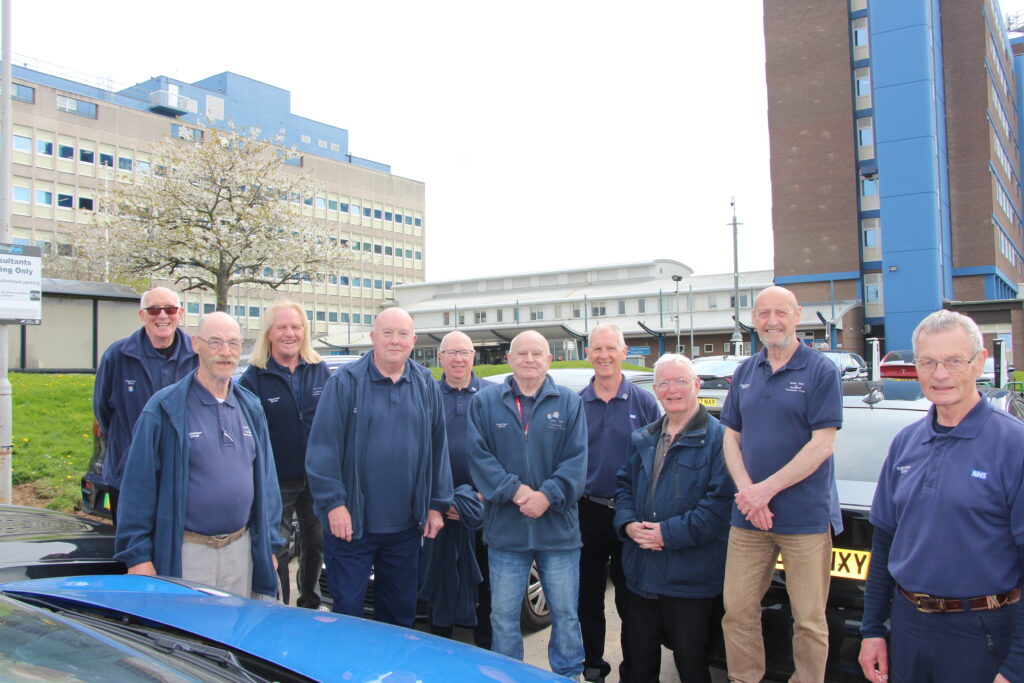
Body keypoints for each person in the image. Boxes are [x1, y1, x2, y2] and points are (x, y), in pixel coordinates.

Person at [858, 310, 1024, 683]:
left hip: (981, 635)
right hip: (907, 626)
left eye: (954, 360)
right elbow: (884, 543)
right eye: (928, 362)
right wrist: (872, 630)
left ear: (980, 362)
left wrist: (1016, 668)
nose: (940, 374)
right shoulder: (905, 443)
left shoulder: (1014, 446)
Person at [719, 285, 843, 683]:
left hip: (804, 518)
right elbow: (730, 437)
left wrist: (764, 491)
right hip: (749, 517)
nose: (771, 320)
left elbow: (822, 445)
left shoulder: (820, 371)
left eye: (780, 312)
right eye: (763, 313)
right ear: (753, 320)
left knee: (808, 619)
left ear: (798, 315)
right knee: (737, 610)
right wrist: (747, 492)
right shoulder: (744, 372)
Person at [114, 312, 283, 599]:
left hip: (241, 551)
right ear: (196, 344)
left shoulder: (250, 407)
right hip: (187, 554)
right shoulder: (165, 408)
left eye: (233, 343)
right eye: (215, 342)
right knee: (188, 639)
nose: (225, 352)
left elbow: (267, 483)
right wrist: (138, 556)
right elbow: (138, 487)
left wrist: (269, 544)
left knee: (236, 636)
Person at [306, 307, 453, 628]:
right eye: (387, 333)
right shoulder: (345, 383)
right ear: (373, 337)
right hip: (352, 527)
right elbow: (322, 448)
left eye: (403, 334)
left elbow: (438, 448)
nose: (395, 341)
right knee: (348, 616)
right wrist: (334, 504)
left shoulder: (426, 385)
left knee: (399, 617)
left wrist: (436, 506)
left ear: (413, 341)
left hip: (405, 530)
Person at [467, 330, 587, 679]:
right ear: (509, 359)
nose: (530, 360)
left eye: (538, 353)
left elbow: (577, 461)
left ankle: (567, 675)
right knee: (503, 616)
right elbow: (478, 457)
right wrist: (517, 492)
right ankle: (508, 676)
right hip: (507, 531)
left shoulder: (569, 402)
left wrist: (547, 495)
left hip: (558, 532)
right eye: (522, 354)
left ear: (550, 359)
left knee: (565, 615)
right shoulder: (485, 403)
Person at [614, 353, 733, 683]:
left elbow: (719, 507)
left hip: (690, 581)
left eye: (680, 381)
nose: (672, 389)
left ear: (696, 385)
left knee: (692, 668)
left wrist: (667, 534)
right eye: (664, 383)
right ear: (655, 390)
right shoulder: (643, 439)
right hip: (640, 577)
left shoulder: (721, 441)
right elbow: (623, 486)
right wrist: (626, 524)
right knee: (638, 668)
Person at [577, 324, 659, 683]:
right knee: (588, 598)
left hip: (630, 512)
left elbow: (658, 458)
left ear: (624, 352)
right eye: (597, 349)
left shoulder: (643, 402)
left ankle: (634, 671)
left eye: (611, 348)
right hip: (587, 511)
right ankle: (593, 664)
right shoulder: (577, 403)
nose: (604, 355)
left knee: (631, 601)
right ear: (588, 353)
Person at [239, 300, 329, 609]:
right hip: (276, 479)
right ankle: (279, 606)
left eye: (296, 326)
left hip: (316, 477)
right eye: (282, 327)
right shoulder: (254, 377)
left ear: (304, 331)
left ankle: (310, 603)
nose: (289, 333)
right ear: (269, 333)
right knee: (277, 545)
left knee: (315, 544)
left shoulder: (320, 370)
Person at [93, 287, 197, 524]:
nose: (162, 315)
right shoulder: (118, 355)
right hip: (129, 475)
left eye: (169, 309)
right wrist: (130, 447)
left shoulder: (197, 356)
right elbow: (103, 411)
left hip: (181, 475)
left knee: (173, 550)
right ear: (142, 315)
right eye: (154, 309)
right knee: (132, 549)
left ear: (179, 313)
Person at [420, 330, 495, 646]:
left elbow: (504, 451)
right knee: (439, 587)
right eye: (451, 352)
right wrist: (438, 502)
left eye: (464, 352)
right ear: (440, 358)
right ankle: (441, 650)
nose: (458, 358)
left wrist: (481, 496)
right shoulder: (426, 396)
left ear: (473, 355)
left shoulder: (494, 396)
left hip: (484, 509)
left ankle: (485, 653)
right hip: (438, 510)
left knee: (486, 588)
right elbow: (417, 452)